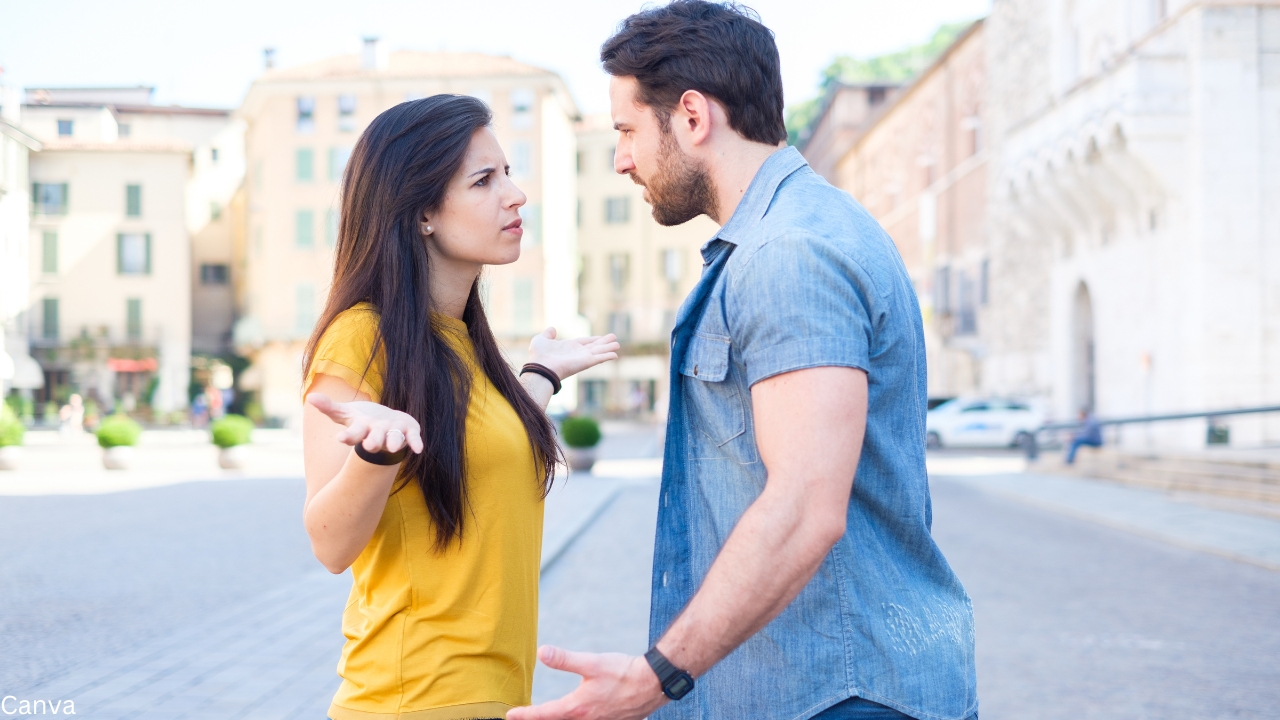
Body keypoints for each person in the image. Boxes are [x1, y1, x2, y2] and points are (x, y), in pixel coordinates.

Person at [509, 3, 978, 720]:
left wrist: (653, 677)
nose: (621, 159)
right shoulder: (794, 234)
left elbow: (802, 509)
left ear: (692, 116)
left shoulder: (789, 254)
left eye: (628, 130)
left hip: (838, 693)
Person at [300, 95, 619, 720]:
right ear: (421, 212)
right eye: (484, 180)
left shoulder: (464, 345)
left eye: (507, 172)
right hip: (411, 699)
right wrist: (374, 450)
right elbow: (329, 544)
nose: (516, 194)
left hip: (490, 699)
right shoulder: (361, 337)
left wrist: (540, 377)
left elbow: (479, 459)